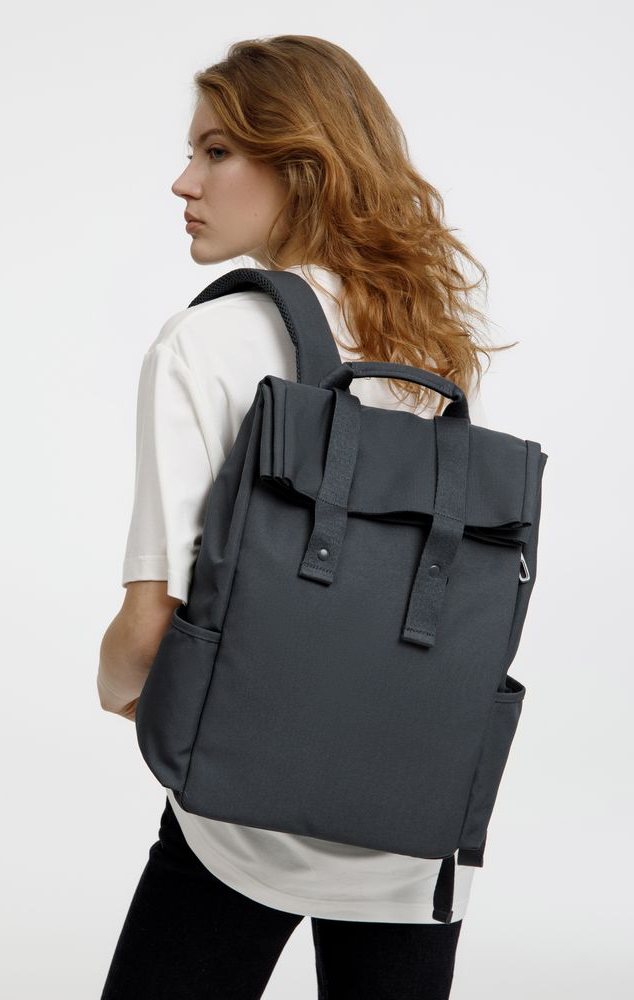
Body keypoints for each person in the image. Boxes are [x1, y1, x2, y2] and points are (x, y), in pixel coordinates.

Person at [97, 34, 510, 1000]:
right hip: (415, 831)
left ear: (302, 166)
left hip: (242, 827)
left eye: (215, 151)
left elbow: (149, 628)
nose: (184, 182)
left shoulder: (207, 341)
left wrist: (117, 687)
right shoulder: (429, 340)